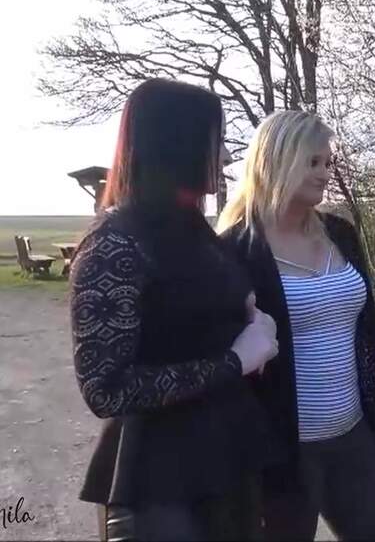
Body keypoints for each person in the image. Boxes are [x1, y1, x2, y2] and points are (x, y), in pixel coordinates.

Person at [69, 78, 279, 541]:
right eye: (216, 141)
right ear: (177, 142)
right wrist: (235, 360)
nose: (226, 157)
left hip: (228, 467)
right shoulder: (115, 244)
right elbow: (106, 390)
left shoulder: (196, 232)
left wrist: (249, 320)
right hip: (159, 490)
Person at [217, 110, 375, 541]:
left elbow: (369, 332)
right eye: (313, 162)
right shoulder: (235, 250)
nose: (325, 173)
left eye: (327, 162)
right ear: (277, 161)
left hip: (352, 437)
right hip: (281, 453)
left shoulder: (339, 233)